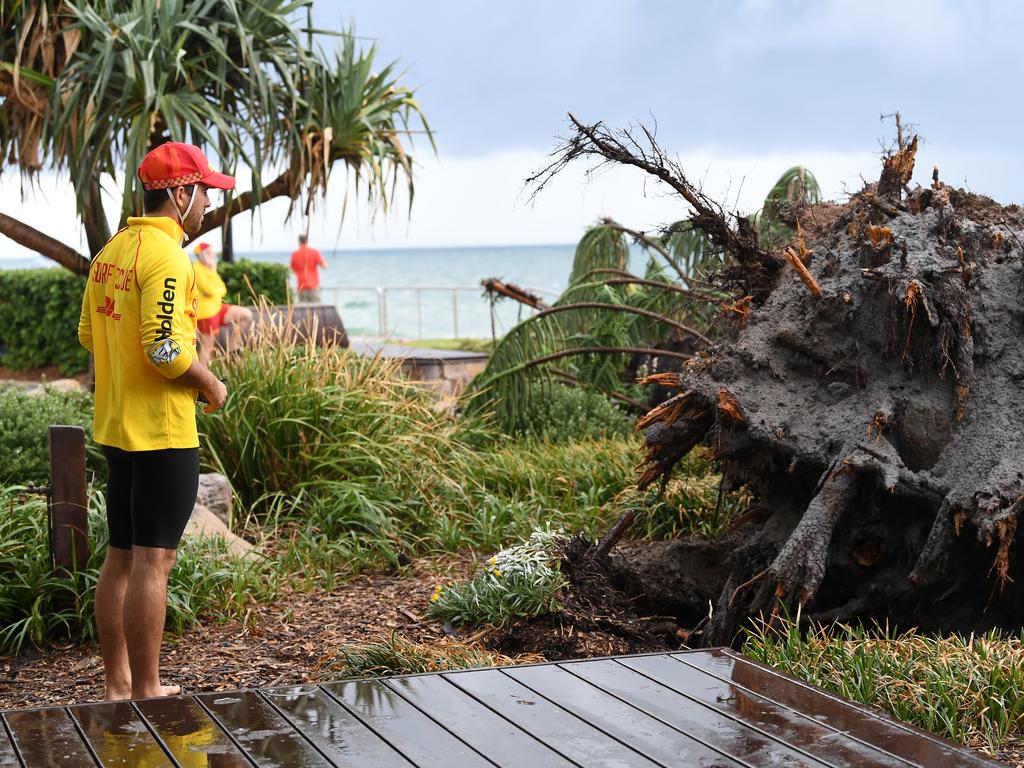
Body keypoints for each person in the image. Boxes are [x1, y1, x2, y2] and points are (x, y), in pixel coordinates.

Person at [77, 141, 232, 701]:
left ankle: (117, 685)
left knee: (121, 555)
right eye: (205, 194)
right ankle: (148, 688)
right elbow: (165, 351)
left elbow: (88, 338)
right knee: (154, 560)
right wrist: (211, 383)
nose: (208, 207)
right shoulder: (168, 258)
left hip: (118, 429)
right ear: (179, 193)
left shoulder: (112, 251)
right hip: (163, 433)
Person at [192, 241, 252, 364]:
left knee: (246, 315)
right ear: (203, 254)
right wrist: (215, 289)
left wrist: (214, 277)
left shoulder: (210, 268)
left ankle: (232, 348)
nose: (213, 255)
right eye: (209, 253)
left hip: (218, 307)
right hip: (206, 313)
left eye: (213, 253)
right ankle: (202, 379)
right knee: (206, 347)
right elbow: (208, 290)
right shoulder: (196, 268)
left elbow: (223, 289)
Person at [289, 234, 326, 302]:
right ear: (307, 241)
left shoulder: (295, 254)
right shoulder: (315, 252)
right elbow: (324, 266)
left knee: (304, 310)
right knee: (316, 310)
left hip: (301, 286)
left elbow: (291, 269)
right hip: (313, 286)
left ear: (299, 241)